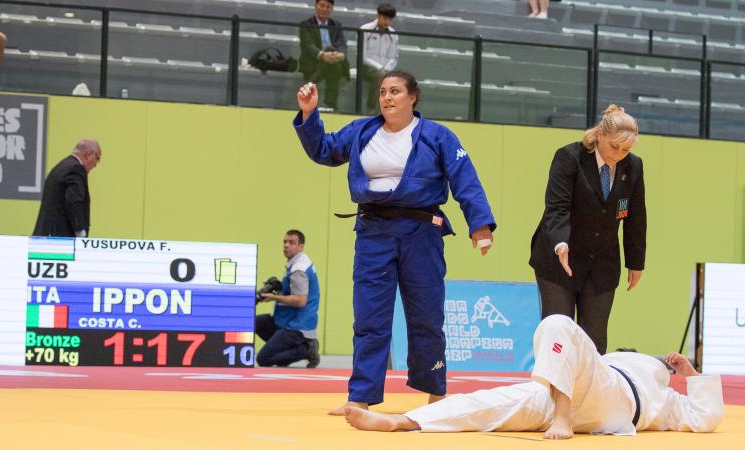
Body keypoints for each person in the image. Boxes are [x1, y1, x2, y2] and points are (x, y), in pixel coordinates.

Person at [293, 71, 496, 415]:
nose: (387, 97)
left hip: (422, 232)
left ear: (412, 98)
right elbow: (324, 150)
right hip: (373, 231)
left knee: (426, 315)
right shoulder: (362, 131)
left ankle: (435, 393)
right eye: (383, 91)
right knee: (370, 316)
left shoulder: (437, 136)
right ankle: (361, 396)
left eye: (396, 91)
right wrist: (310, 115)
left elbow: (466, 179)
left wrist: (480, 225)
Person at [343, 314, 724, 438]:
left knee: (558, 321)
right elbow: (584, 358)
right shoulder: (605, 358)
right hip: (561, 393)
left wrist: (690, 374)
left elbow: (706, 417)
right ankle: (402, 422)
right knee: (488, 401)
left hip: (614, 402)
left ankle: (562, 417)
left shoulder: (660, 388)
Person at [529, 105, 645, 355]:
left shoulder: (633, 166)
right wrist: (560, 243)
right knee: (558, 337)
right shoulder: (569, 157)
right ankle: (552, 393)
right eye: (615, 147)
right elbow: (556, 207)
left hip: (602, 262)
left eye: (626, 149)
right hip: (560, 258)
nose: (619, 154)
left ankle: (590, 395)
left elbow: (635, 217)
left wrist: (636, 262)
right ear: (600, 135)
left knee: (594, 342)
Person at [255, 230, 321, 368]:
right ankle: (285, 351)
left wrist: (274, 297)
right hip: (286, 320)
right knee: (252, 322)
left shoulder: (299, 269)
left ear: (301, 246)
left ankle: (306, 349)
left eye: (291, 242)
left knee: (264, 359)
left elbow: (300, 300)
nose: (286, 245)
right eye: (285, 242)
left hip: (298, 326)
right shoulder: (298, 262)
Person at [33, 138, 101, 238]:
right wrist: (80, 232)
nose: (95, 164)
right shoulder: (76, 169)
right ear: (89, 155)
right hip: (60, 239)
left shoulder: (61, 166)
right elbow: (73, 202)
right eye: (97, 158)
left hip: (45, 235)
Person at [298, 0, 349, 111]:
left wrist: (341, 54)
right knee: (334, 66)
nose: (325, 9)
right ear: (316, 6)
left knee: (333, 64)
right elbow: (308, 45)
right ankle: (330, 106)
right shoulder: (306, 25)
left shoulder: (336, 25)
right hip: (314, 62)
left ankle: (310, 100)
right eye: (322, 6)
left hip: (332, 60)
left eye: (328, 7)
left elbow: (342, 44)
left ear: (332, 9)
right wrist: (322, 55)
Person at [360, 3, 399, 115]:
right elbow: (363, 57)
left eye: (390, 19)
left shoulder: (393, 34)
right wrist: (379, 68)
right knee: (379, 76)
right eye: (385, 18)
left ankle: (394, 112)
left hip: (386, 70)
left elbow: (394, 57)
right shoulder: (365, 29)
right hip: (367, 67)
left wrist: (386, 68)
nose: (387, 22)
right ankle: (370, 108)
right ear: (378, 15)